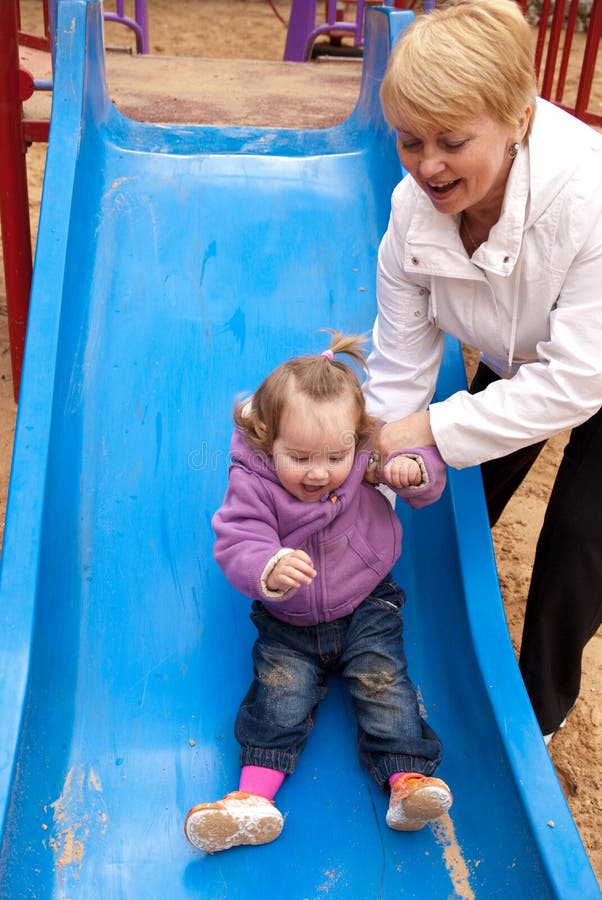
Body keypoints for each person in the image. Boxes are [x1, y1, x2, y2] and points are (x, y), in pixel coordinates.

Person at [362, 0, 602, 746]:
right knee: (455, 482)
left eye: (452, 141)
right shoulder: (411, 217)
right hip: (522, 349)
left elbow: (576, 381)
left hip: (587, 356)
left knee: (578, 537)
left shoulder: (588, 200)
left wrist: (431, 424)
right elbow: (401, 369)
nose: (427, 164)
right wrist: (374, 470)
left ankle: (533, 719)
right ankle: (402, 609)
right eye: (409, 141)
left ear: (518, 120)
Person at [184, 332, 452, 853]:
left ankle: (408, 783)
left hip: (365, 604)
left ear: (355, 438)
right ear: (266, 439)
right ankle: (252, 801)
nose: (320, 472)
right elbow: (238, 536)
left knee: (383, 681)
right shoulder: (254, 480)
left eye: (335, 455)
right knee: (278, 694)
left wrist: (413, 470)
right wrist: (270, 563)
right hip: (289, 619)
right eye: (300, 457)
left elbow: (427, 477)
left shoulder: (360, 458)